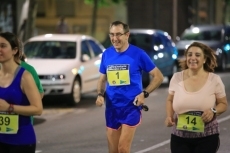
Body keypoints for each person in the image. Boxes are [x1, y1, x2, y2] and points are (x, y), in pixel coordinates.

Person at [95, 21, 164, 153]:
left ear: (127, 35)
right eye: (112, 35)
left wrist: (144, 93)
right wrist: (99, 94)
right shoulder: (107, 54)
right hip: (112, 108)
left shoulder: (138, 54)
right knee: (113, 150)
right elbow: (102, 79)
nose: (115, 38)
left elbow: (158, 76)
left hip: (131, 107)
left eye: (119, 34)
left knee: (123, 148)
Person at [165, 42, 228, 153]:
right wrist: (169, 116)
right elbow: (170, 99)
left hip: (207, 136)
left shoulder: (214, 80)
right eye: (190, 55)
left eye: (197, 55)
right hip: (180, 136)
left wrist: (213, 110)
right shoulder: (176, 77)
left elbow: (223, 104)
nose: (193, 58)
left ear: (204, 59)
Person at [0, 32, 43, 153]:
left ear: (14, 50)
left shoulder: (25, 76)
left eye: (3, 46)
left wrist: (9, 107)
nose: (0, 50)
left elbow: (38, 109)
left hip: (20, 141)